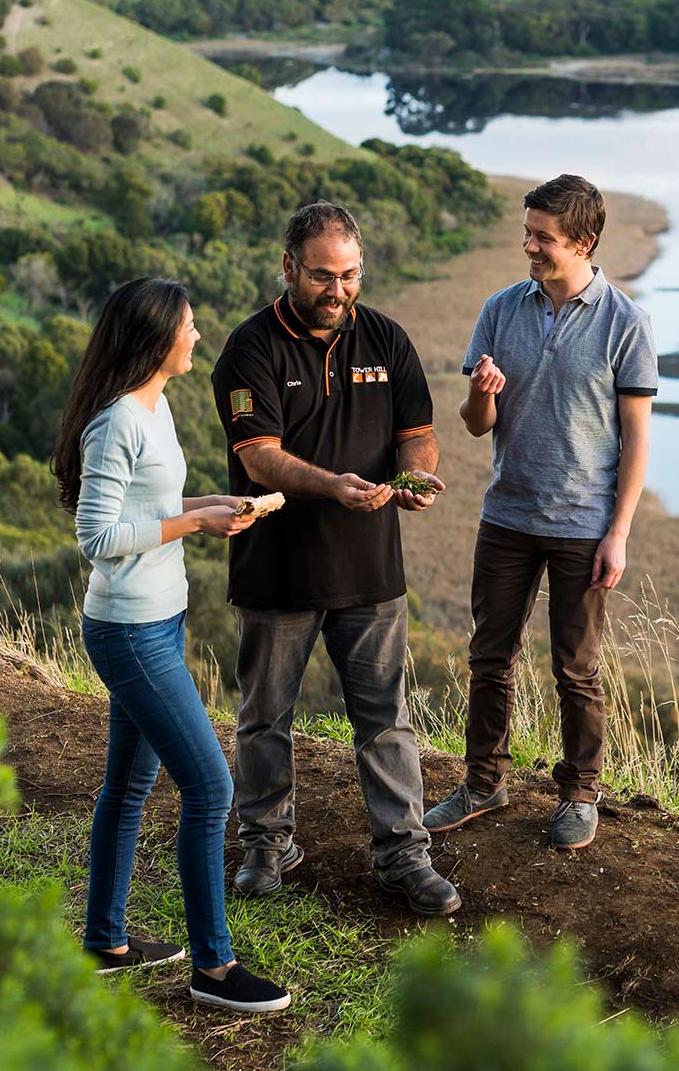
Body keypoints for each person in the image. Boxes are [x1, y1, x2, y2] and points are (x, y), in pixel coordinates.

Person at [209, 202, 460, 917]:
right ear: (289, 268)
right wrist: (333, 485)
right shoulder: (248, 348)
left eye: (349, 275)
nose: (337, 290)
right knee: (264, 717)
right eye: (322, 276)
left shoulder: (387, 336)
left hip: (370, 573)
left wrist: (415, 477)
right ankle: (265, 843)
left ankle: (404, 854)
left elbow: (419, 433)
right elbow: (258, 456)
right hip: (276, 569)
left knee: (386, 719)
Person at [52, 276, 290, 1013]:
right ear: (157, 338)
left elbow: (147, 507)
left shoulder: (158, 407)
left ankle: (105, 942)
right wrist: (196, 527)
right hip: (126, 629)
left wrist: (211, 507)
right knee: (212, 787)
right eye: (188, 326)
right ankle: (214, 970)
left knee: (127, 785)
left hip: (161, 621)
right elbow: (97, 537)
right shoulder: (116, 421)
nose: (197, 336)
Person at [423, 174, 658, 851]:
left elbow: (637, 437)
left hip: (583, 526)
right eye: (526, 232)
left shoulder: (625, 323)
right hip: (506, 516)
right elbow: (475, 425)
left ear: (583, 242)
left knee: (575, 669)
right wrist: (480, 393)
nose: (528, 245)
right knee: (489, 656)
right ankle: (482, 782)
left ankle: (580, 793)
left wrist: (619, 533)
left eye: (542, 237)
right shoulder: (501, 309)